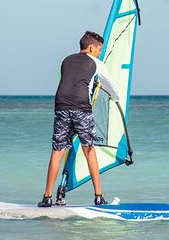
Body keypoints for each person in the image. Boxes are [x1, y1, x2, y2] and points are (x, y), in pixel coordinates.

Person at [38, 31, 120, 207]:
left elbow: (67, 81)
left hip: (61, 106)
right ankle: (98, 196)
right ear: (91, 47)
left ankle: (47, 197)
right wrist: (116, 98)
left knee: (57, 152)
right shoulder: (96, 63)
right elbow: (111, 86)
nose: (100, 53)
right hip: (81, 108)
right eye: (99, 49)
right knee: (89, 150)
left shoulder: (65, 60)